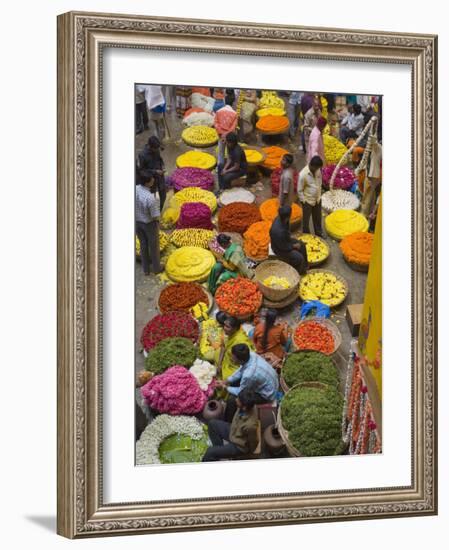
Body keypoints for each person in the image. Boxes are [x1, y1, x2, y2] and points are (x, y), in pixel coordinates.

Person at [217, 344, 279, 422]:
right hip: (271, 381)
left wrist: (225, 387)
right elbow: (240, 371)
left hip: (267, 394)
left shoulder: (248, 375)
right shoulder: (251, 355)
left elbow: (240, 392)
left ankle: (228, 421)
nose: (232, 359)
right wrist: (226, 381)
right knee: (234, 383)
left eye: (234, 358)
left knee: (232, 400)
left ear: (241, 360)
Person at [202, 389, 259, 461]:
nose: (236, 400)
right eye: (238, 397)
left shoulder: (250, 425)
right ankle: (218, 453)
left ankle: (216, 453)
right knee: (212, 424)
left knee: (209, 452)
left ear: (244, 407)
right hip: (233, 430)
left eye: (239, 400)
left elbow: (253, 442)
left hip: (239, 446)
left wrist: (250, 453)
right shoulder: (246, 406)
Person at [135, 175, 162, 275]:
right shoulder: (150, 198)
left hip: (137, 222)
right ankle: (156, 268)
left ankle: (146, 269)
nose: (153, 180)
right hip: (149, 224)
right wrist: (159, 223)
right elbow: (155, 216)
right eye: (152, 180)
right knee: (154, 246)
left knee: (143, 244)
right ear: (147, 183)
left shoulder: (135, 189)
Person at [269, 205, 309, 275]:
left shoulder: (282, 219)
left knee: (302, 245)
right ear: (287, 217)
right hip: (279, 249)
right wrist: (294, 246)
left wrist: (290, 236)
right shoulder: (279, 231)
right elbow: (283, 247)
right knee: (299, 258)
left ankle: (305, 266)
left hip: (285, 241)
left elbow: (286, 233)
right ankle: (297, 273)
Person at [214, 315, 254, 382]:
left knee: (227, 378)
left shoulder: (241, 341)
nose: (224, 328)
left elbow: (247, 360)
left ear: (235, 329)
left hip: (236, 364)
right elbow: (223, 347)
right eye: (224, 325)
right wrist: (219, 364)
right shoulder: (227, 333)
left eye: (227, 327)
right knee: (216, 354)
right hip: (229, 357)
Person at [137, 136, 167, 210]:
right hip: (151, 180)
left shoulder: (156, 149)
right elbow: (142, 170)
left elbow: (159, 159)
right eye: (155, 149)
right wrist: (155, 171)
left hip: (160, 177)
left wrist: (162, 165)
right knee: (151, 198)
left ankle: (159, 210)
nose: (157, 150)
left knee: (163, 195)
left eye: (157, 148)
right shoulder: (142, 155)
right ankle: (152, 212)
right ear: (150, 146)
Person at [298, 155, 324, 237]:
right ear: (312, 165)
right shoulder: (303, 174)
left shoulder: (318, 170)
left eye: (318, 168)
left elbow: (319, 181)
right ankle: (306, 235)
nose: (317, 170)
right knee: (306, 220)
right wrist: (304, 201)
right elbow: (299, 190)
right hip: (307, 201)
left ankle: (318, 232)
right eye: (316, 168)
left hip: (317, 199)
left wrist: (319, 194)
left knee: (317, 218)